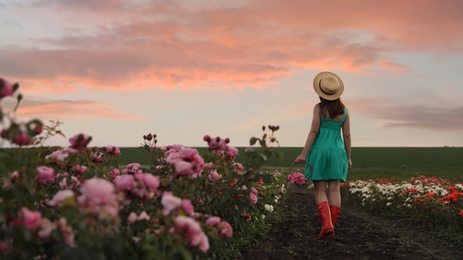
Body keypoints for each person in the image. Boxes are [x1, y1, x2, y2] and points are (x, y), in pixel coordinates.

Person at [294, 71, 352, 239]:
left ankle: (326, 225)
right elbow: (347, 135)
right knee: (334, 189)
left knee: (320, 190)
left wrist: (304, 153)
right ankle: (331, 227)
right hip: (337, 151)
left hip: (319, 151)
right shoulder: (345, 111)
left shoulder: (319, 108)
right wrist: (348, 157)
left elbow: (314, 130)